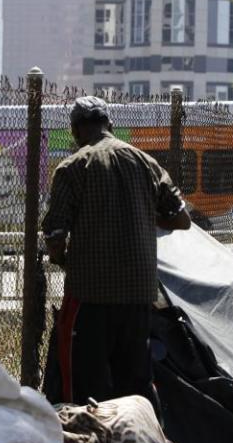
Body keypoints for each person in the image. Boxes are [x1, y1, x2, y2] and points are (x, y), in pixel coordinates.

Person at [42, 96, 191, 405]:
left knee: (86, 385)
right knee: (136, 381)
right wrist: (142, 213)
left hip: (90, 293)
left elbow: (55, 234)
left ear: (75, 131)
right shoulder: (146, 163)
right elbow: (181, 218)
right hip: (138, 293)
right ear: (110, 125)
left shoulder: (72, 168)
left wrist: (63, 259)